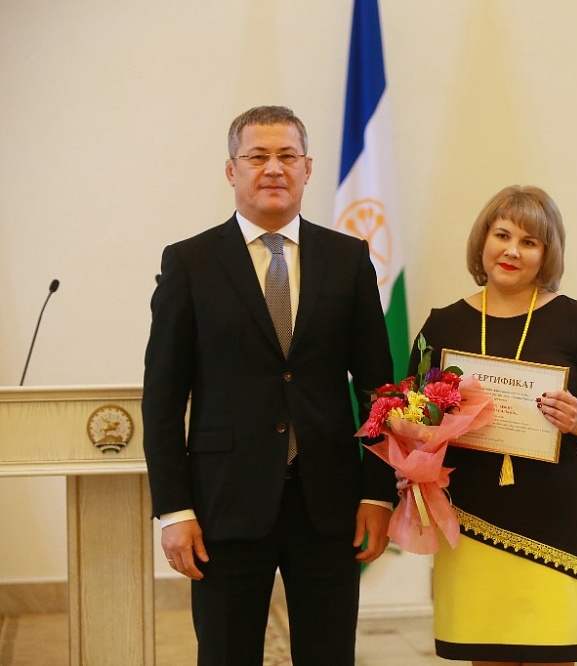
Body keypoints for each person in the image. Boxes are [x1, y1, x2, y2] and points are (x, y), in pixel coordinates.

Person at [142, 105, 396, 665]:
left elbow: (378, 391)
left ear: (307, 168)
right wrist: (174, 510)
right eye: (257, 156)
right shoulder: (190, 263)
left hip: (328, 502)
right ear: (231, 171)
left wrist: (378, 493)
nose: (273, 168)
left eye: (286, 156)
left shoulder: (348, 259)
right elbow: (162, 400)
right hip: (224, 505)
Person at [406, 185, 577, 665]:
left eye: (529, 242)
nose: (512, 251)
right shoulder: (443, 326)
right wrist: (415, 454)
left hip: (556, 521)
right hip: (470, 524)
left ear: (546, 254)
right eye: (502, 235)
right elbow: (413, 417)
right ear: (483, 241)